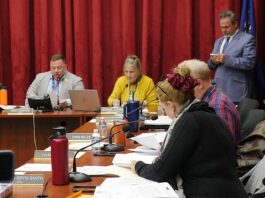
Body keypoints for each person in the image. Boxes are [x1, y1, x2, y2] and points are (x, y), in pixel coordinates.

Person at [131, 66, 248, 197]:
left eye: (163, 108)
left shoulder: (189, 120)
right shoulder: (207, 114)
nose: (164, 111)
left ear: (171, 105)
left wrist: (137, 166)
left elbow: (161, 172)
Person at [178, 59, 241, 143]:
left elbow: (223, 146)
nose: (181, 89)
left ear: (199, 84)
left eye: (184, 84)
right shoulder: (207, 100)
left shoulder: (217, 106)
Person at [208, 10, 256, 104]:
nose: (224, 30)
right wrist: (213, 62)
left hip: (236, 92)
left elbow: (249, 63)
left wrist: (226, 59)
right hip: (217, 92)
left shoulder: (247, 39)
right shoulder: (219, 41)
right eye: (221, 27)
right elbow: (210, 65)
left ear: (235, 24)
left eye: (227, 27)